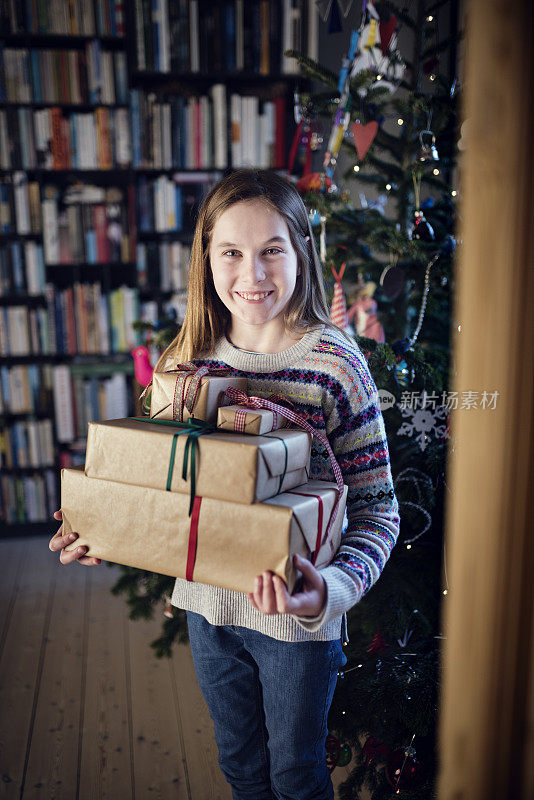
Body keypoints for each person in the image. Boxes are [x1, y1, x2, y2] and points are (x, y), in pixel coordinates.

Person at [49, 168, 400, 800]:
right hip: (207, 611)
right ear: (206, 260)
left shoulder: (336, 367)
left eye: (273, 251)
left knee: (296, 774)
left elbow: (378, 509)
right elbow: (155, 488)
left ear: (302, 253)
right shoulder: (187, 363)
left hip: (296, 626)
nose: (253, 274)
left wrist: (330, 589)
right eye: (232, 252)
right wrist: (98, 528)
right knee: (239, 766)